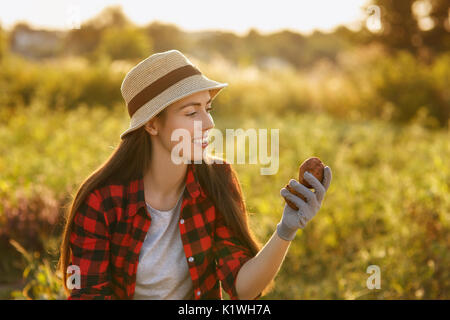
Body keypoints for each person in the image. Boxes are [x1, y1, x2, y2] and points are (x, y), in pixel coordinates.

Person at [57, 49, 332, 300]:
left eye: (207, 109)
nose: (209, 123)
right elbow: (87, 295)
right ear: (152, 125)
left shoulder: (216, 179)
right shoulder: (101, 201)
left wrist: (286, 229)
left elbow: (242, 287)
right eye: (191, 113)